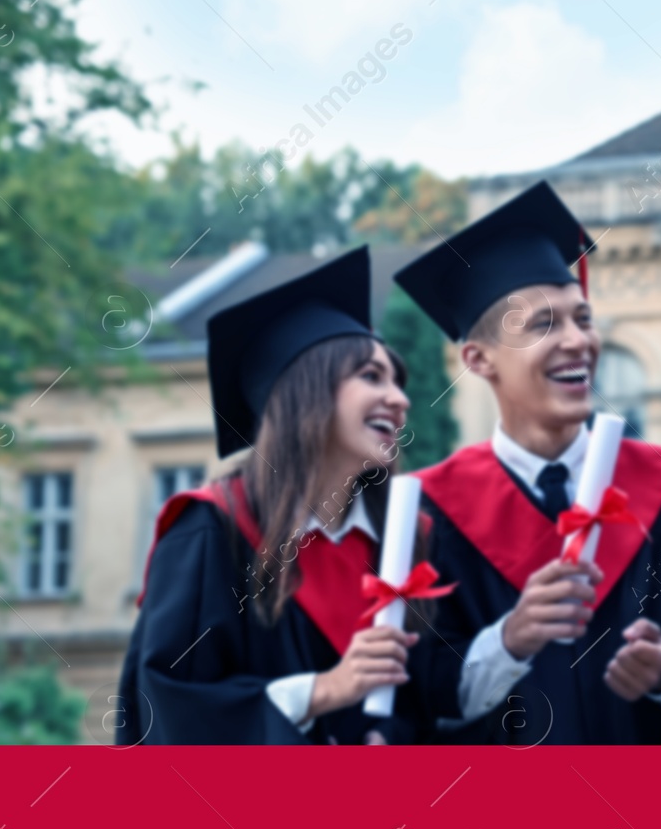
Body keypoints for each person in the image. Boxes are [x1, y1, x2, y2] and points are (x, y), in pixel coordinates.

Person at [393, 181, 661, 744]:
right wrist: (510, 640)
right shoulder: (426, 514)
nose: (578, 341)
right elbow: (411, 701)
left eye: (583, 319)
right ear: (478, 359)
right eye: (544, 325)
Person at [118, 246, 438, 744]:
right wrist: (323, 691)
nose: (400, 399)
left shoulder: (402, 545)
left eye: (398, 380)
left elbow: (430, 706)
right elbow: (168, 707)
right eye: (371, 376)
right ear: (304, 393)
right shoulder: (209, 532)